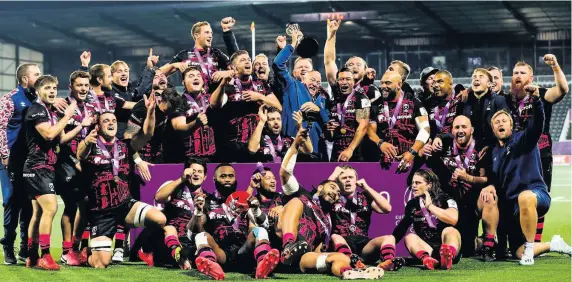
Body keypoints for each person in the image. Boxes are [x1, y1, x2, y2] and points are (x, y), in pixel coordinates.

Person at [276, 128, 384, 279]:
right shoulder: (305, 196)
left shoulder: (328, 220)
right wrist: (295, 145)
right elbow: (284, 173)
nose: (335, 192)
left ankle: (349, 273)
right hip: (284, 249)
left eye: (338, 193)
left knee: (341, 258)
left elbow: (319, 247)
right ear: (320, 188)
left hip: (303, 258)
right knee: (295, 202)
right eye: (333, 187)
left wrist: (326, 256)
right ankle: (288, 246)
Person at [489, 84, 571, 265]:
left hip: (536, 194)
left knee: (525, 197)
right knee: (516, 252)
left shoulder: (524, 139)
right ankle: (553, 244)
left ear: (512, 126)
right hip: (513, 207)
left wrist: (536, 100)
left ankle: (529, 247)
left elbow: (537, 123)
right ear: (493, 129)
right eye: (496, 122)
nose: (500, 123)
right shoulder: (493, 153)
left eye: (504, 121)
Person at [77, 112, 166, 268]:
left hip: (125, 205)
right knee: (101, 263)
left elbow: (147, 134)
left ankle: (139, 248)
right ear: (98, 126)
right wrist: (86, 141)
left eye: (114, 120)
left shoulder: (126, 146)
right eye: (106, 121)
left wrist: (151, 111)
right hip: (102, 212)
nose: (111, 123)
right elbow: (80, 153)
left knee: (160, 219)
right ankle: (87, 255)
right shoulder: (91, 144)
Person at [23, 75, 87, 270]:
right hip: (37, 166)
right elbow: (49, 134)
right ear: (37, 92)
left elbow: (60, 139)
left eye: (54, 88)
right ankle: (46, 255)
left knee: (39, 212)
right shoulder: (36, 110)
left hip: (47, 167)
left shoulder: (49, 111)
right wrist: (68, 115)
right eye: (47, 88)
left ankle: (32, 255)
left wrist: (82, 126)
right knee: (51, 208)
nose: (52, 92)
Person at [506, 57, 569, 243]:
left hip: (540, 154)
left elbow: (563, 90)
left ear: (531, 77)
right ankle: (516, 240)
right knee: (513, 196)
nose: (518, 76)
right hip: (515, 156)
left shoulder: (541, 94)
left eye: (522, 72)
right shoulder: (507, 99)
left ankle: (535, 243)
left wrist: (555, 66)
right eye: (516, 72)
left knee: (538, 198)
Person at [427, 116, 493, 259]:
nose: (460, 131)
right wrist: (425, 149)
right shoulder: (444, 146)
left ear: (472, 130)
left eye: (464, 127)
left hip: (471, 204)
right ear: (452, 131)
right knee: (462, 249)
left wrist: (467, 177)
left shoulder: (482, 149)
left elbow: (487, 179)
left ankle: (487, 242)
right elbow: (428, 158)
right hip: (451, 205)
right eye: (457, 128)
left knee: (490, 198)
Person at [377, 169, 461, 270]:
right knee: (410, 237)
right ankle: (427, 260)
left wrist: (430, 206)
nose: (413, 186)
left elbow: (453, 219)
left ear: (429, 185)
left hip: (447, 245)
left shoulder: (445, 199)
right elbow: (401, 229)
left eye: (418, 183)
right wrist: (387, 248)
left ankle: (447, 257)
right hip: (428, 249)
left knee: (451, 230)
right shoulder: (412, 204)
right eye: (413, 183)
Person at [0, 63, 41, 264]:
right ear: (25, 79)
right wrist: (4, 154)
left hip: (31, 161)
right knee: (11, 201)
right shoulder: (9, 99)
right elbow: (0, 127)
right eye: (36, 74)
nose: (40, 78)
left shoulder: (37, 99)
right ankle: (8, 245)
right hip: (10, 160)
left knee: (29, 204)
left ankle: (25, 247)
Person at [210, 50, 281, 162]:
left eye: (248, 59)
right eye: (242, 60)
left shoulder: (260, 84)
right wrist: (223, 84)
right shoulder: (229, 85)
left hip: (258, 142)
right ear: (233, 67)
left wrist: (260, 97)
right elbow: (214, 104)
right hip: (234, 144)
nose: (247, 62)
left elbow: (278, 107)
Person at [56, 71, 97, 266]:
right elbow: (61, 139)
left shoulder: (91, 107)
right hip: (66, 163)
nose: (83, 89)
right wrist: (75, 160)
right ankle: (66, 251)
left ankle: (79, 246)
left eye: (85, 85)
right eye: (79, 85)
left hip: (86, 163)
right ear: (71, 86)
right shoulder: (62, 105)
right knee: (71, 205)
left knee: (87, 204)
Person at [274, 31, 329, 160]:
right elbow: (278, 64)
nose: (304, 69)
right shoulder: (291, 85)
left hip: (317, 151)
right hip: (294, 149)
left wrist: (319, 110)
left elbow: (328, 122)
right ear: (293, 72)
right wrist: (292, 43)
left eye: (307, 67)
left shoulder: (323, 96)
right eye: (300, 67)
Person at [327, 166, 394, 269]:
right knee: (335, 236)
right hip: (342, 241)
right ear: (338, 182)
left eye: (351, 177)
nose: (348, 180)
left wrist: (367, 188)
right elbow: (321, 193)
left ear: (356, 180)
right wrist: (333, 176)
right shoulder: (332, 198)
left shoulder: (365, 197)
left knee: (390, 238)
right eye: (344, 178)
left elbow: (387, 208)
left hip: (364, 245)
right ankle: (351, 260)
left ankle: (388, 262)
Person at [367, 71, 431, 174]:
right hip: (383, 163)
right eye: (382, 83)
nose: (383, 86)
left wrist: (412, 152)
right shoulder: (375, 105)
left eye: (387, 83)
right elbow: (370, 130)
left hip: (409, 159)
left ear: (399, 84)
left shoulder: (413, 102)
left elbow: (425, 129)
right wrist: (380, 143)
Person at [162, 21, 233, 89]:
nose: (210, 36)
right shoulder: (184, 55)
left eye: (211, 33)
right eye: (207, 32)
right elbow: (159, 73)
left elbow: (237, 69)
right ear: (196, 35)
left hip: (215, 98)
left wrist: (226, 72)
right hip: (192, 99)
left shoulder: (216, 53)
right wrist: (173, 65)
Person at [169, 66, 217, 163]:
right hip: (189, 158)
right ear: (183, 83)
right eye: (191, 76)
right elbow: (178, 127)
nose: (195, 78)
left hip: (213, 157)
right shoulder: (179, 101)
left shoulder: (211, 98)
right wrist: (196, 123)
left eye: (198, 76)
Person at [461, 68, 508, 147]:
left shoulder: (499, 100)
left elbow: (505, 128)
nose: (476, 79)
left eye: (481, 77)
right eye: (474, 77)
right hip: (470, 149)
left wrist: (491, 146)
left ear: (489, 84)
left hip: (493, 148)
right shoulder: (465, 102)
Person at [248, 107, 312, 163]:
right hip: (267, 175)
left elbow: (308, 150)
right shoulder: (259, 140)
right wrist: (262, 121)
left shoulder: (289, 140)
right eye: (272, 119)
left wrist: (300, 127)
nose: (276, 122)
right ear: (266, 123)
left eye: (278, 119)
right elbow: (252, 149)